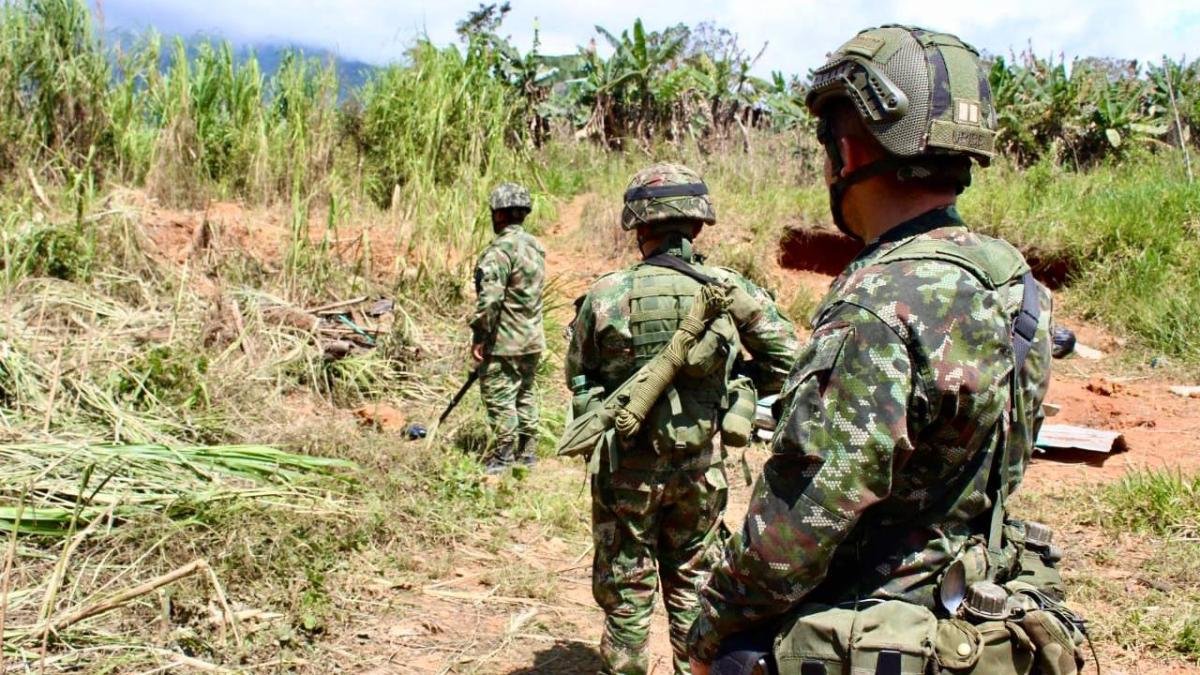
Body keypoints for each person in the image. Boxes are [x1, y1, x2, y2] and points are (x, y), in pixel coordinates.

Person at [687, 25, 1084, 675]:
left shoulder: (878, 307)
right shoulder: (1015, 281)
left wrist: (707, 633)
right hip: (974, 621)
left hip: (878, 631)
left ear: (844, 151)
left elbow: (792, 533)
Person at [566, 163, 798, 675]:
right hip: (697, 470)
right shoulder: (729, 290)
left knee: (626, 593)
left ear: (638, 224)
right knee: (694, 587)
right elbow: (788, 360)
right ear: (696, 223)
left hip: (625, 473)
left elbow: (580, 378)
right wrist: (735, 388)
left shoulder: (606, 295)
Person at [470, 182, 545, 474]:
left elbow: (490, 299)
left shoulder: (499, 251)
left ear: (498, 215)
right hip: (532, 336)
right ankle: (527, 454)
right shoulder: (534, 246)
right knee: (524, 393)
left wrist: (480, 335)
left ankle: (502, 457)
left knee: (499, 396)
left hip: (504, 341)